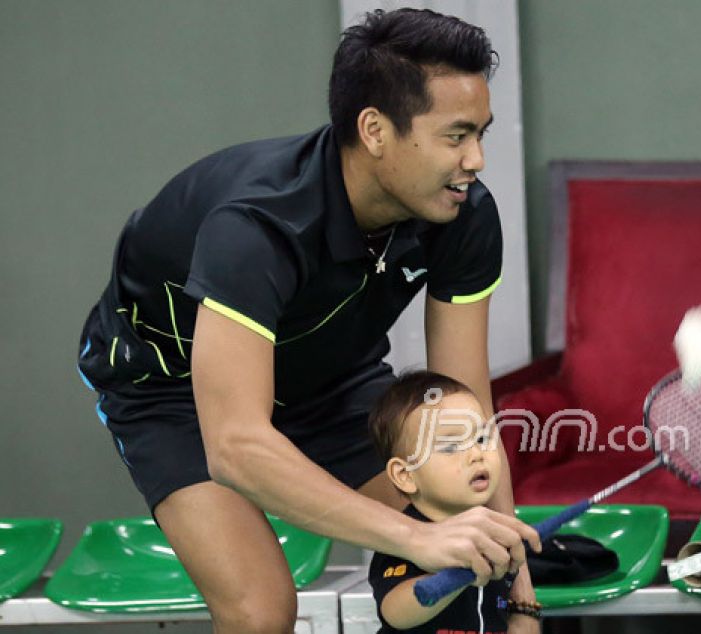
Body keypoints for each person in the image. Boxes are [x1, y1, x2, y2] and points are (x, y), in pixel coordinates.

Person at [75, 8, 540, 633]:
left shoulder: (464, 215)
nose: (477, 159)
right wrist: (413, 537)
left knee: (457, 521)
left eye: (480, 133)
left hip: (332, 379)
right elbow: (237, 447)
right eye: (456, 136)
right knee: (263, 609)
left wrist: (519, 592)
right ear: (375, 130)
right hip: (174, 392)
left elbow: (463, 412)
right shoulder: (258, 227)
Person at [367, 370, 541, 633]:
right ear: (405, 475)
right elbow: (395, 612)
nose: (476, 454)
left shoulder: (495, 531)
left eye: (482, 439)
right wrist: (460, 573)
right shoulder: (404, 538)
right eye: (450, 446)